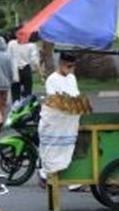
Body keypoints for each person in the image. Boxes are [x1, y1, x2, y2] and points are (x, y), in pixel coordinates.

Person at [37, 51, 91, 187]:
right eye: (68, 66)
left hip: (70, 121)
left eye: (72, 66)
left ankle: (74, 182)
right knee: (54, 150)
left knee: (74, 149)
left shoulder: (72, 78)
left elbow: (75, 96)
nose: (70, 69)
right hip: (56, 121)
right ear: (60, 64)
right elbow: (55, 101)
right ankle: (46, 173)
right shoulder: (52, 79)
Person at [7, 31, 39, 104]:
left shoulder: (11, 44)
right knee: (28, 92)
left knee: (15, 92)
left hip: (15, 69)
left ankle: (15, 108)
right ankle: (26, 108)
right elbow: (34, 60)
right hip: (26, 69)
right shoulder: (31, 45)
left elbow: (8, 56)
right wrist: (38, 70)